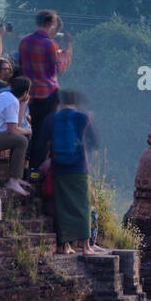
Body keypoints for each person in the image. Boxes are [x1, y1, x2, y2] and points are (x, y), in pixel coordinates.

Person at [37, 89, 108, 256]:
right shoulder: (82, 117)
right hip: (78, 168)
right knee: (83, 206)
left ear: (60, 102)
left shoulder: (51, 118)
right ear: (76, 102)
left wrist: (47, 159)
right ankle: (85, 247)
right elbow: (93, 142)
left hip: (59, 167)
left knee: (62, 206)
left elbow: (41, 143)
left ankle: (65, 245)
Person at [18, 10, 72, 170]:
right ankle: (41, 170)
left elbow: (21, 67)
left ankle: (32, 169)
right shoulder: (49, 44)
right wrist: (68, 48)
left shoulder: (24, 41)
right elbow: (59, 69)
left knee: (36, 128)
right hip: (48, 92)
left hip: (32, 93)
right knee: (47, 133)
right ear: (50, 24)